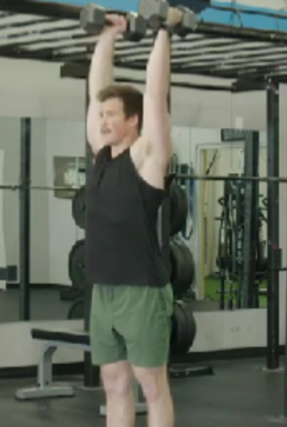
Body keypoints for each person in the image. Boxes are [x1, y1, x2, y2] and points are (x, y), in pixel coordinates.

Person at [84, 9, 183, 427]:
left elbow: (156, 97)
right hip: (103, 289)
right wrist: (108, 36)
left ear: (133, 121)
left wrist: (163, 32)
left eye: (112, 115)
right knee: (113, 382)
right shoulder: (102, 159)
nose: (103, 120)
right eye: (101, 115)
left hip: (142, 291)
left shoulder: (148, 159)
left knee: (152, 384)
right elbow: (95, 92)